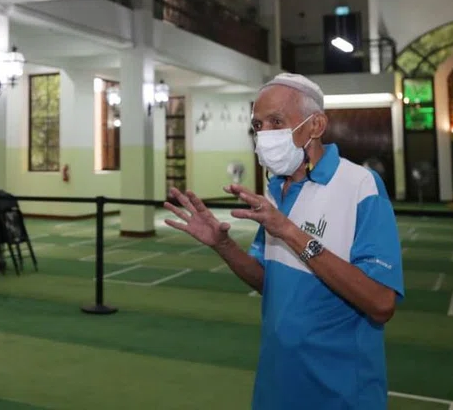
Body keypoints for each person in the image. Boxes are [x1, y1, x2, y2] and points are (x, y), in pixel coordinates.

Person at [165, 72, 404, 410]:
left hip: (341, 394)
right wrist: (223, 245)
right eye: (258, 125)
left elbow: (381, 304)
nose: (264, 134)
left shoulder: (360, 186)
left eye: (276, 121)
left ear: (316, 125)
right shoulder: (276, 190)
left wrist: (291, 231)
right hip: (277, 386)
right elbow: (269, 280)